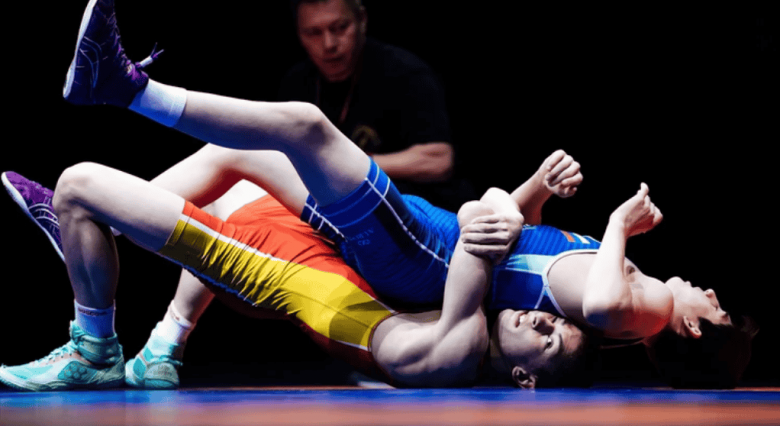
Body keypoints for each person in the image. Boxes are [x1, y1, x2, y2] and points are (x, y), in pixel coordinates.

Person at [56, 0, 754, 388]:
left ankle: (125, 88)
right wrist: (534, 191)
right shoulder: (624, 289)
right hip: (430, 237)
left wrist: (618, 225)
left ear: (694, 330)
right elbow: (525, 250)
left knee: (304, 126)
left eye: (715, 307)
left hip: (426, 252)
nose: (710, 292)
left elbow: (593, 302)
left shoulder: (637, 306)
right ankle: (89, 229)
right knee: (249, 152)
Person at [0, 153, 591, 390]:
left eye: (548, 338)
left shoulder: (462, 347)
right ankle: (161, 349)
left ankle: (95, 348)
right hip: (315, 273)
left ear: (524, 378)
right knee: (234, 182)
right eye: (555, 319)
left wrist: (507, 203)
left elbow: (478, 233)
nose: (541, 318)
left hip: (282, 275)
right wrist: (530, 195)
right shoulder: (472, 333)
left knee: (78, 185)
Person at [280, 0, 471, 211]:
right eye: (313, 33)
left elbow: (439, 160)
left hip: (418, 208)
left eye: (340, 27)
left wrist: (346, 163)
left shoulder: (405, 73)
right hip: (335, 207)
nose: (329, 44)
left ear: (362, 19)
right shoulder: (296, 82)